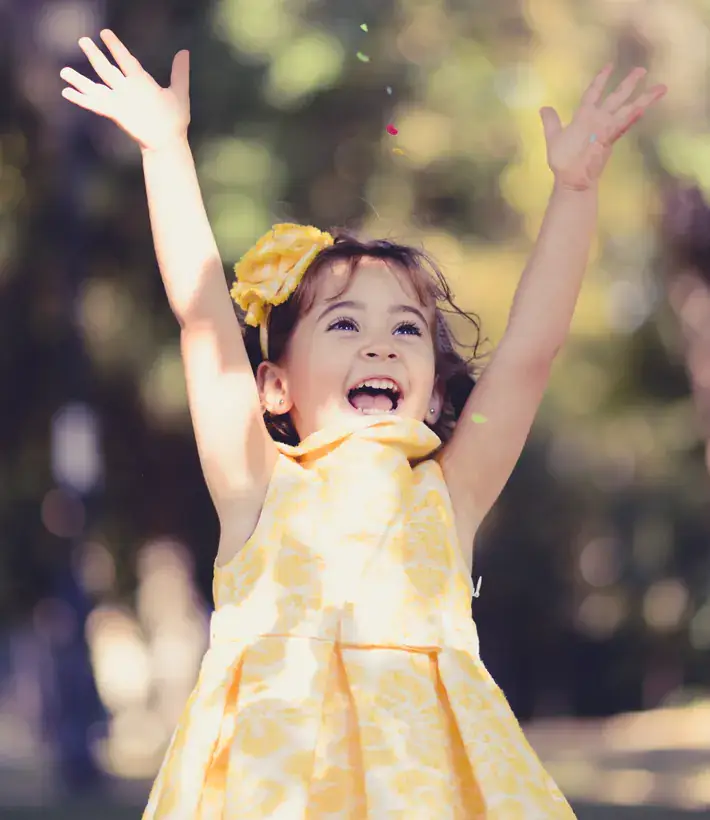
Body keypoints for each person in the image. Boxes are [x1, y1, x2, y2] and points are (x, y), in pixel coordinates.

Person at [60, 30, 667, 819]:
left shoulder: (450, 495)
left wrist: (576, 192)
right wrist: (164, 151)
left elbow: (528, 354)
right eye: (344, 325)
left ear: (438, 397)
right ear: (273, 387)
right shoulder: (256, 489)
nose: (380, 341)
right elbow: (203, 321)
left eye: (407, 330)